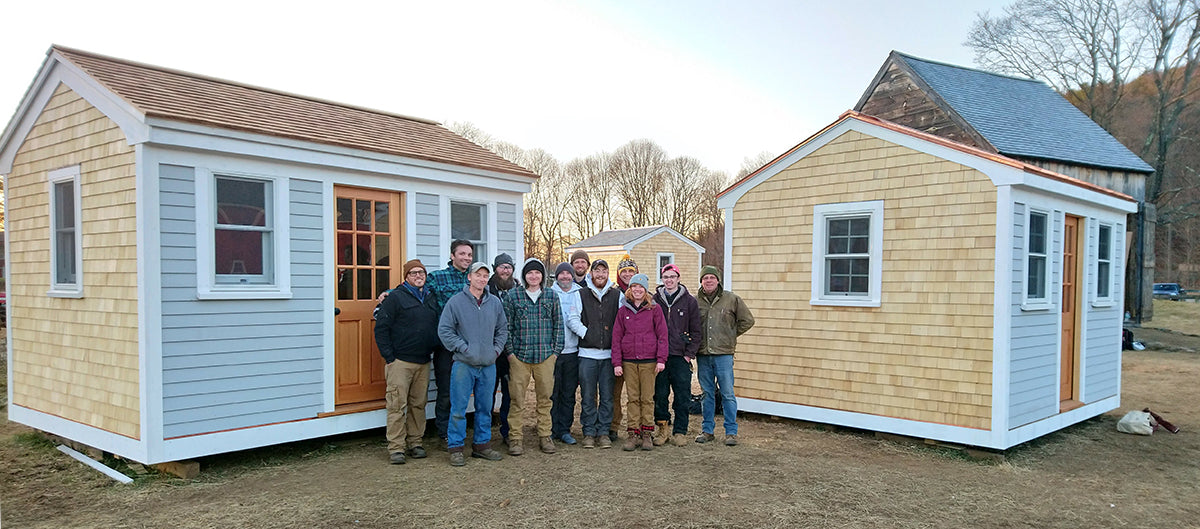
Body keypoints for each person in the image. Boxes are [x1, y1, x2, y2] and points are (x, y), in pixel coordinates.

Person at [437, 261, 508, 466]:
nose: (482, 279)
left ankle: (482, 445)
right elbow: (445, 330)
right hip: (464, 364)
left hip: (488, 364)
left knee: (485, 407)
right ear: (469, 277)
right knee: (458, 407)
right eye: (478, 275)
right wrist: (463, 347)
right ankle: (456, 447)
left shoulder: (494, 303)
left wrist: (495, 350)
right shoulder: (456, 302)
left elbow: (502, 330)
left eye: (485, 276)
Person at [374, 259, 440, 464]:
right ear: (406, 277)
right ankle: (396, 448)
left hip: (423, 361)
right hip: (400, 362)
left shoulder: (430, 297)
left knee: (418, 405)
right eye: (413, 273)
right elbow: (381, 329)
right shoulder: (395, 298)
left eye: (421, 272)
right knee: (396, 405)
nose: (418, 276)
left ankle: (415, 443)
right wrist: (390, 358)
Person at [503, 258, 564, 455]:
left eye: (537, 273)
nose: (534, 276)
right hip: (519, 356)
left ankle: (545, 436)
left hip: (545, 356)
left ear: (543, 276)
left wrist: (555, 352)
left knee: (545, 398)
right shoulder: (513, 297)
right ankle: (515, 438)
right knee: (517, 399)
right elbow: (506, 327)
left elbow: (558, 326)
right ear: (524, 275)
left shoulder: (551, 296)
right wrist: (510, 353)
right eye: (530, 273)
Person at [694, 265, 755, 446]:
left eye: (712, 277)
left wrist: (730, 335)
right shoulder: (695, 301)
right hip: (703, 354)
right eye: (705, 278)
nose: (709, 281)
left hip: (724, 355)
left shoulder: (732, 299)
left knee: (727, 393)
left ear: (718, 280)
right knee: (707, 394)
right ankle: (707, 430)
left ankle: (731, 432)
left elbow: (748, 321)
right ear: (701, 281)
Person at [425, 239, 475, 445]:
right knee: (446, 390)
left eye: (470, 255)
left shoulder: (474, 279)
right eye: (462, 254)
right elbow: (416, 289)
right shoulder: (437, 278)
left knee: (466, 388)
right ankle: (445, 432)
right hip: (446, 345)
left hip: (471, 343)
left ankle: (462, 430)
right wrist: (388, 294)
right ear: (452, 255)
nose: (466, 258)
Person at [611, 273, 667, 451]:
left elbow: (662, 336)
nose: (637, 290)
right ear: (630, 289)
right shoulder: (623, 310)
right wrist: (617, 362)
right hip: (628, 361)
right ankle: (633, 433)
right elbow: (617, 337)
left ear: (645, 290)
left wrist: (661, 359)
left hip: (649, 361)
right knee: (633, 398)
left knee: (647, 398)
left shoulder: (654, 309)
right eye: (634, 287)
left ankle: (647, 433)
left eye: (641, 287)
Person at [651, 263, 701, 447]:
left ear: (678, 279)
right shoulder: (655, 300)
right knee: (660, 395)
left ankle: (680, 431)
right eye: (666, 277)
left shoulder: (690, 302)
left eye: (673, 277)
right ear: (662, 280)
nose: (669, 280)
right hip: (660, 357)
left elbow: (696, 332)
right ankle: (662, 429)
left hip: (680, 357)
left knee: (682, 396)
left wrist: (688, 354)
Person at [576, 259, 621, 449]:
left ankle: (603, 432)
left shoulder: (617, 295)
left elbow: (621, 322)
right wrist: (588, 334)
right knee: (587, 395)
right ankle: (588, 432)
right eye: (597, 271)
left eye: (604, 271)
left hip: (609, 355)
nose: (600, 274)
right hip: (587, 354)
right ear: (591, 273)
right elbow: (572, 319)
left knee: (607, 396)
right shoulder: (581, 294)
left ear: (607, 273)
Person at [550, 262, 587, 446]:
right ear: (556, 276)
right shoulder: (549, 293)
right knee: (551, 393)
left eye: (568, 273)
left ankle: (564, 429)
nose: (565, 277)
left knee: (568, 393)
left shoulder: (580, 293)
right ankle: (550, 428)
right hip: (552, 353)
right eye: (561, 274)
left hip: (573, 351)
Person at [488, 253, 519, 444]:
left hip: (511, 352)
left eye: (508, 267)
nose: (505, 270)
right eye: (502, 267)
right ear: (495, 269)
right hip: (490, 350)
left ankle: (508, 433)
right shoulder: (486, 289)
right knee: (487, 393)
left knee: (510, 394)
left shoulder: (518, 290)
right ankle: (484, 435)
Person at [609, 254, 639, 442]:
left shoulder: (642, 294)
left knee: (637, 393)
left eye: (631, 271)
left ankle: (637, 427)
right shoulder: (613, 293)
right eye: (624, 271)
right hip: (618, 349)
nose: (628, 274)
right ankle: (613, 426)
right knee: (614, 392)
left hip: (638, 352)